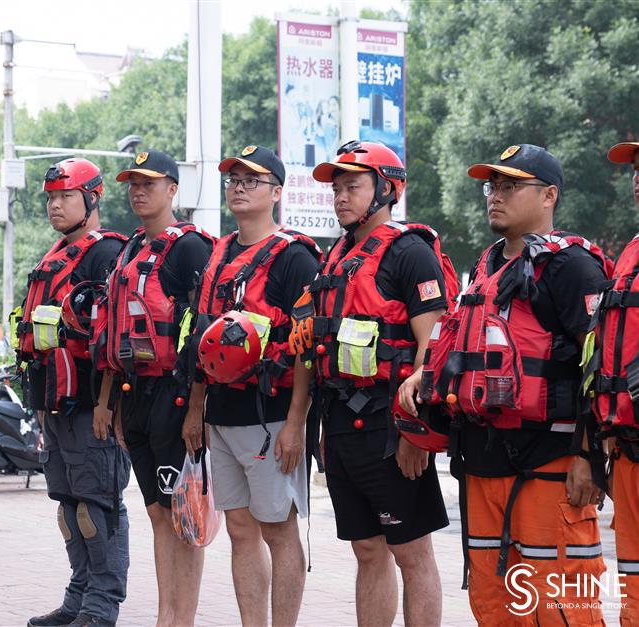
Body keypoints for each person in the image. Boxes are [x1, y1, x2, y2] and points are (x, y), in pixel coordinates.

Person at [421, 144, 611, 624]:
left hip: (550, 465)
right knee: (493, 604)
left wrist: (589, 458)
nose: (496, 196)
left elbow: (598, 368)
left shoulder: (572, 267)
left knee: (564, 606)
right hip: (482, 465)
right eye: (493, 186)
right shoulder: (486, 265)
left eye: (511, 186)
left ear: (549, 195)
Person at [290, 140, 453, 626]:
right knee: (366, 548)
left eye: (352, 186)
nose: (340, 196)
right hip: (341, 422)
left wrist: (415, 432)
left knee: (411, 551)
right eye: (336, 188)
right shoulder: (336, 255)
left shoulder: (410, 253)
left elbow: (433, 347)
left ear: (387, 189)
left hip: (389, 425)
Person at [181, 145, 322, 627]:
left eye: (252, 180)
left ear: (277, 193)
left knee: (278, 530)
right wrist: (194, 407)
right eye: (233, 180)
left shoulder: (295, 257)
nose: (239, 187)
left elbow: (305, 347)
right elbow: (202, 338)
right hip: (220, 414)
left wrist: (297, 423)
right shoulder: (217, 254)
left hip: (272, 416)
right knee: (240, 530)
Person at [97, 150, 214, 627]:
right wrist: (108, 402)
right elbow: (113, 331)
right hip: (134, 394)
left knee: (184, 517)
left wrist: (197, 408)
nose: (138, 190)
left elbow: (206, 330)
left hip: (176, 394)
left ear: (173, 189)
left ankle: (179, 619)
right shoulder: (128, 249)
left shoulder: (190, 247)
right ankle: (167, 614)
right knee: (157, 515)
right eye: (132, 183)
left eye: (149, 182)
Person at [15, 158, 130, 627]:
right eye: (50, 197)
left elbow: (115, 337)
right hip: (53, 404)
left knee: (97, 504)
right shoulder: (54, 257)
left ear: (92, 199)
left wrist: (107, 404)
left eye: (64, 196)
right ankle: (79, 596)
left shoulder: (107, 254)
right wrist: (39, 406)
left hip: (90, 405)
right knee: (68, 506)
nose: (54, 205)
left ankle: (102, 606)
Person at [583, 140, 639, 626]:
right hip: (626, 446)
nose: (638, 178)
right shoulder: (630, 254)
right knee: (634, 586)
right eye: (637, 169)